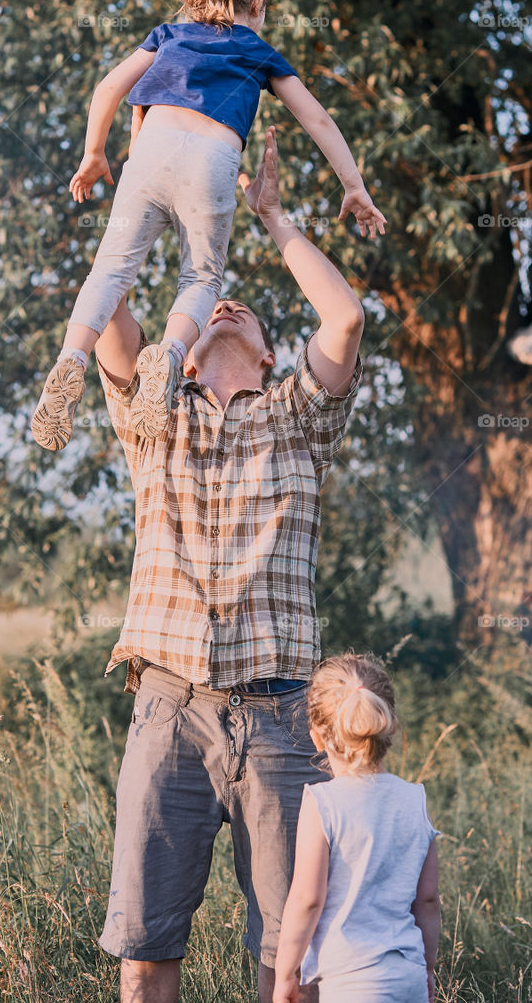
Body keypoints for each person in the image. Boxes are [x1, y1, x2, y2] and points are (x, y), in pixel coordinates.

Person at [93, 128, 368, 1003]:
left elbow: (345, 318)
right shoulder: (152, 413)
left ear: (268, 356)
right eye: (215, 304)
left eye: (242, 313)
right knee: (145, 953)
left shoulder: (298, 418)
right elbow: (109, 316)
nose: (224, 308)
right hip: (168, 707)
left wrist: (275, 218)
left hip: (284, 718)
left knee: (290, 961)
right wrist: (143, 185)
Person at [31, 0, 385, 450]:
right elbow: (318, 121)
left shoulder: (168, 35)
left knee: (111, 268)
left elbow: (107, 87)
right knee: (200, 278)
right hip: (215, 159)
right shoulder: (257, 50)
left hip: (149, 148)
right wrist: (353, 186)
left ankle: (71, 360)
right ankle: (171, 359)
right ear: (259, 2)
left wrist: (93, 153)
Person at [273, 653, 441, 1003]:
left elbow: (307, 900)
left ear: (317, 736)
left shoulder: (322, 803)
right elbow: (427, 900)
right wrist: (426, 968)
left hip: (352, 982)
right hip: (408, 973)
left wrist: (286, 974)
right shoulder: (415, 799)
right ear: (389, 724)